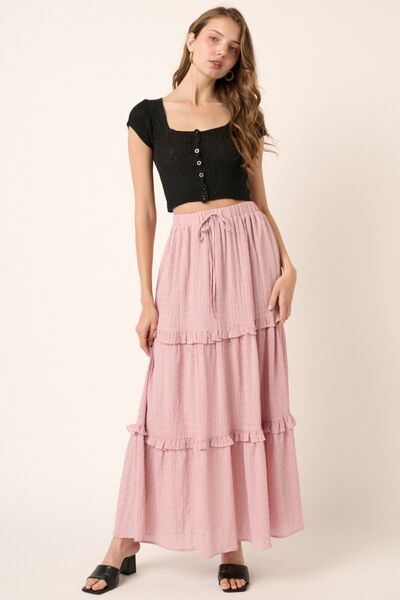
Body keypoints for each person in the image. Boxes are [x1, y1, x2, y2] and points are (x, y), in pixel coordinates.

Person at [82, 6, 304, 595]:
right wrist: (146, 298)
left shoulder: (244, 114)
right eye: (213, 38)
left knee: (236, 393)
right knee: (170, 400)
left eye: (232, 47)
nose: (221, 52)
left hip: (249, 257)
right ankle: (124, 539)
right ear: (191, 40)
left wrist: (288, 266)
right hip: (185, 261)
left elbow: (260, 200)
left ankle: (230, 542)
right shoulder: (147, 117)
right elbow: (144, 212)